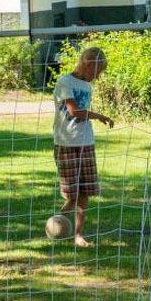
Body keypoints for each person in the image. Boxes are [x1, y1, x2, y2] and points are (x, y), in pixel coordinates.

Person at [53, 44, 113, 247]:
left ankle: (78, 234)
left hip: (86, 140)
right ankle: (58, 220)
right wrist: (99, 116)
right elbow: (73, 111)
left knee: (85, 191)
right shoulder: (65, 82)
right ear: (86, 64)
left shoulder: (87, 85)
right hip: (66, 141)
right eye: (96, 70)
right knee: (72, 191)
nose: (97, 76)